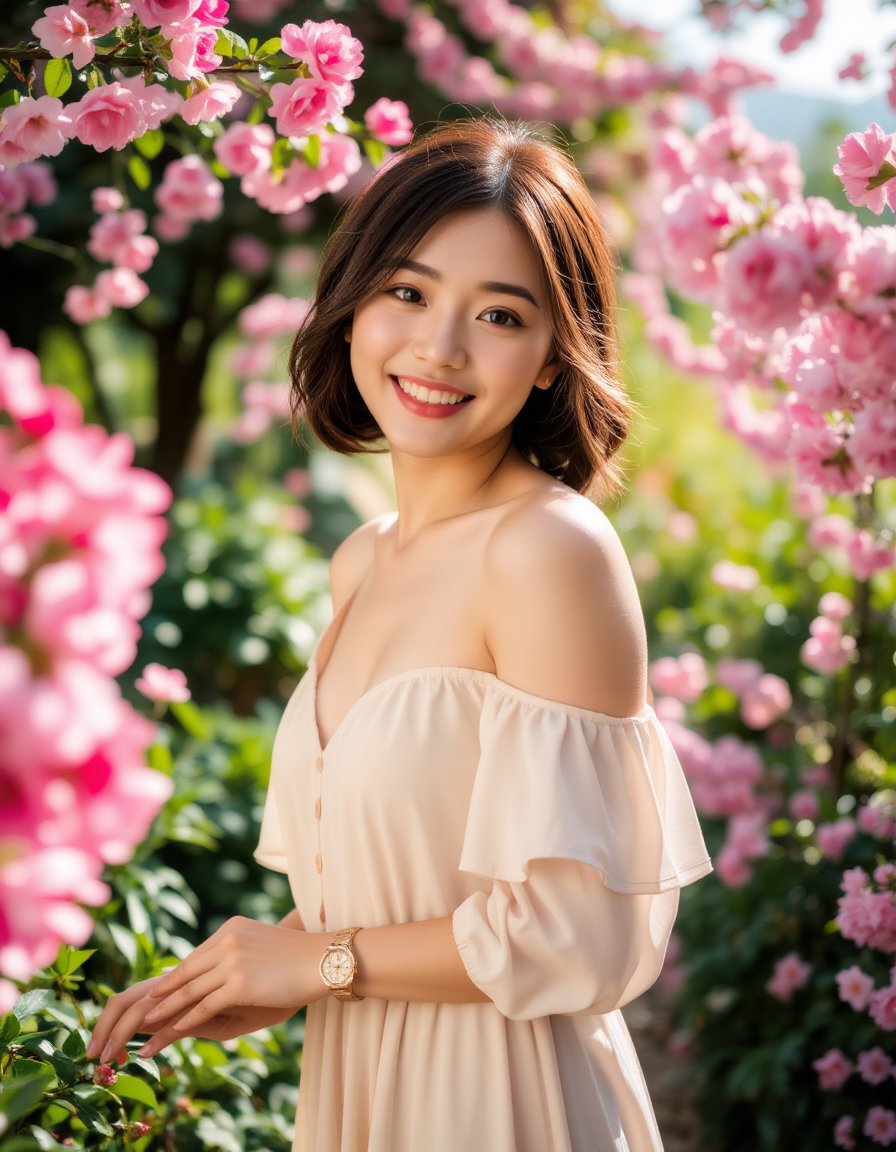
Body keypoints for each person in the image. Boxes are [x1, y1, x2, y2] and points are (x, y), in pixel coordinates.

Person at [88, 117, 712, 1151]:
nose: (439, 348)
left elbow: (580, 936)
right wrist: (256, 967)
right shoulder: (363, 559)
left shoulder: (548, 549)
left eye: (500, 315)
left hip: (504, 1103)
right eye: (408, 293)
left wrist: (320, 963)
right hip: (363, 1090)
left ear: (555, 357)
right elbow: (409, 880)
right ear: (351, 306)